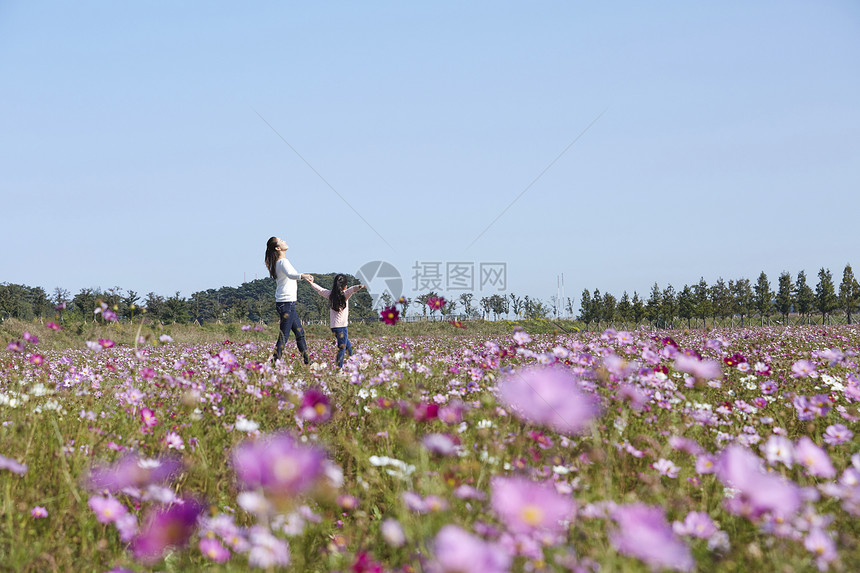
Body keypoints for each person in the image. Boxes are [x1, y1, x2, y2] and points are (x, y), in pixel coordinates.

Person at [264, 236, 312, 365]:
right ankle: (273, 364)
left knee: (300, 333)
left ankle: (308, 362)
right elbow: (291, 275)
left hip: (288, 304)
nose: (285, 241)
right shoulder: (282, 262)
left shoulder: (279, 262)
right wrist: (303, 276)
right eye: (281, 241)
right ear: (278, 248)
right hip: (286, 304)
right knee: (284, 337)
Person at [304, 273, 366, 368]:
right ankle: (338, 369)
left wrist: (312, 283)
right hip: (342, 327)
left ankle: (359, 364)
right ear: (345, 286)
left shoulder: (330, 295)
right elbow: (353, 289)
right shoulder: (345, 294)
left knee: (348, 347)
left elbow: (320, 290)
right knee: (341, 349)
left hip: (334, 327)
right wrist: (360, 286)